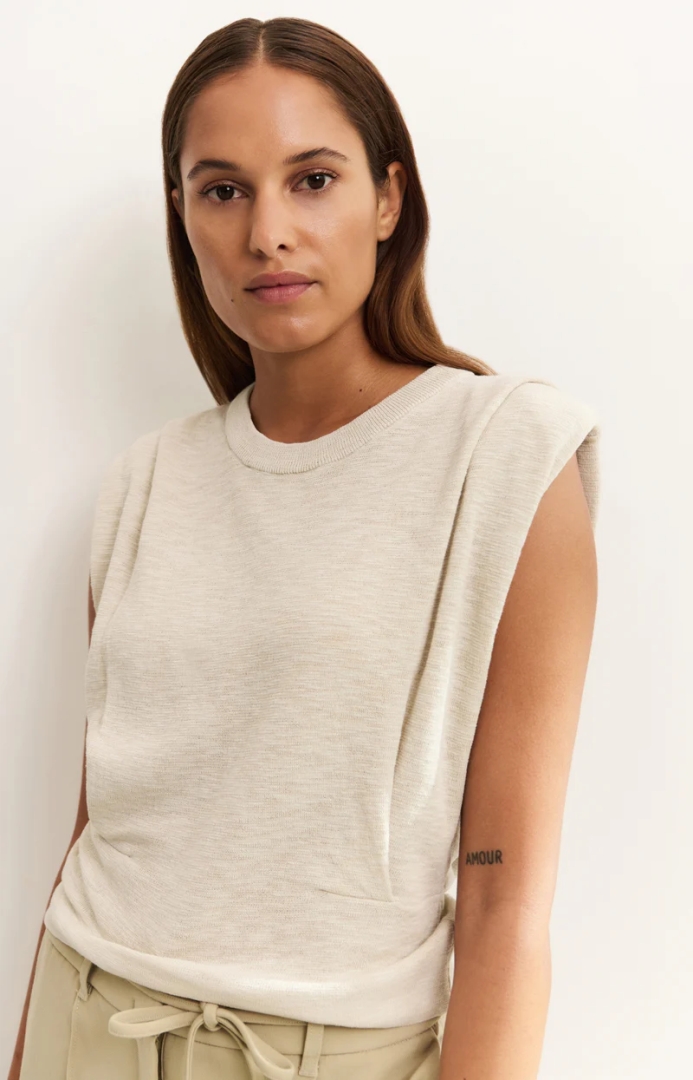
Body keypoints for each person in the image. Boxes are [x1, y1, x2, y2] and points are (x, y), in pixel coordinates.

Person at [11, 16, 601, 1080]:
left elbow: (506, 903)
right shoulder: (146, 482)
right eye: (222, 190)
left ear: (388, 199)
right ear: (182, 215)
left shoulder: (504, 452)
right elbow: (95, 831)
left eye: (313, 180)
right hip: (83, 1019)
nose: (267, 233)